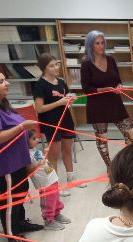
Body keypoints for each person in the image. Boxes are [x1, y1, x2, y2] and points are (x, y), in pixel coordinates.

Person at [0, 72, 42, 242]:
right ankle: (12, 237)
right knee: (10, 201)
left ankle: (20, 223)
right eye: (1, 82)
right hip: (7, 164)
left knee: (21, 193)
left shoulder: (4, 105)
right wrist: (21, 127)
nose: (7, 83)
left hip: (19, 161)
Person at [81, 30, 133, 170]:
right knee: (102, 139)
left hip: (114, 102)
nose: (101, 46)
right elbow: (86, 89)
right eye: (97, 43)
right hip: (97, 106)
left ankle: (126, 163)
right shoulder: (86, 63)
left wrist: (119, 86)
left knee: (131, 133)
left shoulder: (110, 59)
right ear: (90, 45)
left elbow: (117, 80)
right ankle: (109, 167)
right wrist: (105, 89)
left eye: (102, 42)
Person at [33, 53, 85, 197]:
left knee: (67, 150)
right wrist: (59, 102)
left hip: (66, 121)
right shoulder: (40, 86)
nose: (56, 67)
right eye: (51, 65)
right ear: (44, 68)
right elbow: (39, 109)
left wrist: (70, 100)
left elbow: (66, 100)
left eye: (57, 64)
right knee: (53, 156)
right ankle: (54, 185)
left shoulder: (61, 82)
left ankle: (71, 178)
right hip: (51, 123)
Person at [27, 130, 70, 231]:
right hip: (44, 182)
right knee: (48, 201)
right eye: (33, 138)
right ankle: (48, 220)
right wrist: (37, 164)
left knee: (55, 197)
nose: (37, 139)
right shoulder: (26, 154)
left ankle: (56, 214)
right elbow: (28, 170)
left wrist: (45, 153)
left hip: (51, 178)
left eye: (37, 137)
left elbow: (41, 159)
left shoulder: (34, 148)